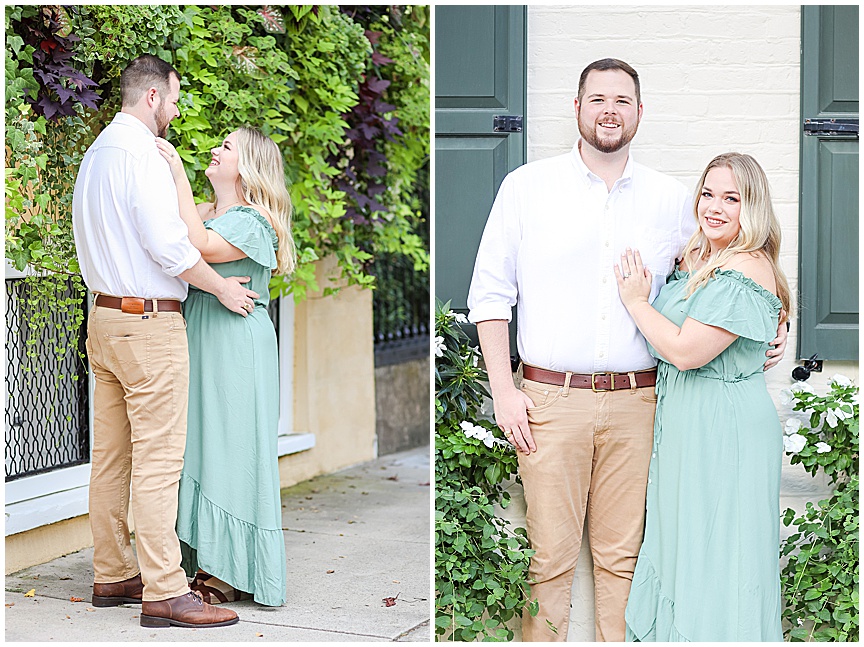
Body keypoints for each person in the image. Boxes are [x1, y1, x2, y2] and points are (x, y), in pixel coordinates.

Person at [466, 58, 787, 641]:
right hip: (548, 401)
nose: (609, 111)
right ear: (577, 108)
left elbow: (723, 283)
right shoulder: (527, 187)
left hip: (641, 404)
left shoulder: (672, 201)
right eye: (598, 99)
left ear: (640, 112)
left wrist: (772, 323)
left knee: (627, 565)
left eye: (622, 101)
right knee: (548, 564)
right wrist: (504, 391)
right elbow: (490, 297)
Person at [73, 54, 257, 628]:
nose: (176, 112)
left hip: (102, 320)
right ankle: (165, 590)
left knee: (109, 461)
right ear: (153, 98)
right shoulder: (143, 157)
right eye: (174, 101)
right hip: (149, 325)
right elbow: (171, 248)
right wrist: (221, 288)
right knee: (158, 461)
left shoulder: (97, 153)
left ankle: (114, 573)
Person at [616, 153, 789, 641]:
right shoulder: (705, 258)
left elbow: (685, 351)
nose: (714, 207)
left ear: (751, 207)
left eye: (731, 198)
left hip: (723, 427)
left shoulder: (746, 267)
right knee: (686, 552)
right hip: (690, 423)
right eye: (708, 194)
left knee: (721, 561)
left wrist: (634, 302)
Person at [155, 126, 295, 607]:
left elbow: (195, 247)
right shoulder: (211, 211)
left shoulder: (252, 221)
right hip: (201, 334)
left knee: (231, 449)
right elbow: (171, 240)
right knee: (198, 444)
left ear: (249, 166)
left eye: (227, 147)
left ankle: (229, 569)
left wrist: (174, 169)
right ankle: (202, 559)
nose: (215, 150)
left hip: (236, 346)